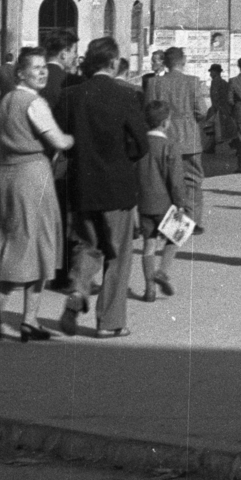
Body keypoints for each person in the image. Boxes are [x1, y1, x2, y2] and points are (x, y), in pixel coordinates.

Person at [53, 36, 149, 339]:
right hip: (117, 187)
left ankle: (79, 290)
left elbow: (59, 139)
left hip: (82, 186)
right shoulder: (126, 96)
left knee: (88, 246)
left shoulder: (70, 96)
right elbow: (142, 144)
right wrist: (123, 158)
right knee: (117, 255)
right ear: (112, 63)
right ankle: (110, 321)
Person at [0, 45, 74, 341]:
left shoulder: (7, 100)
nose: (43, 72)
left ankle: (5, 308)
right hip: (33, 175)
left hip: (7, 176)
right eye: (36, 68)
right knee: (40, 242)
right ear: (21, 72)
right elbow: (58, 140)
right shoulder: (34, 103)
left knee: (16, 242)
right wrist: (73, 137)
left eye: (44, 67)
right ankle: (27, 318)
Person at [42, 34, 83, 291]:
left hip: (36, 158)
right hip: (61, 158)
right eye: (72, 52)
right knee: (66, 218)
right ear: (64, 52)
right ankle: (63, 273)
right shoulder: (66, 82)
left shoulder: (36, 76)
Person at [136, 98, 185, 300]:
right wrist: (180, 204)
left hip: (143, 204)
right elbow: (175, 181)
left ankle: (149, 289)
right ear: (166, 122)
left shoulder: (139, 145)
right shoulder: (169, 146)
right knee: (176, 235)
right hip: (165, 203)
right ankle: (162, 271)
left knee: (148, 245)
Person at [159, 46, 209, 230]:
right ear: (183, 62)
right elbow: (202, 111)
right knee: (193, 180)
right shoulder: (193, 82)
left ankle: (174, 224)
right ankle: (193, 221)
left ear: (165, 63)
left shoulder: (155, 83)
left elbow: (149, 110)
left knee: (168, 179)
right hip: (190, 138)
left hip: (165, 137)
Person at [203, 63, 232, 154]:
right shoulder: (224, 82)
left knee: (215, 129)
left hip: (218, 108)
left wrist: (215, 109)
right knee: (220, 129)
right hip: (224, 108)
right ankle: (210, 147)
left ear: (215, 72)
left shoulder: (215, 82)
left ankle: (210, 147)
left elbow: (215, 97)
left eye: (211, 72)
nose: (210, 74)